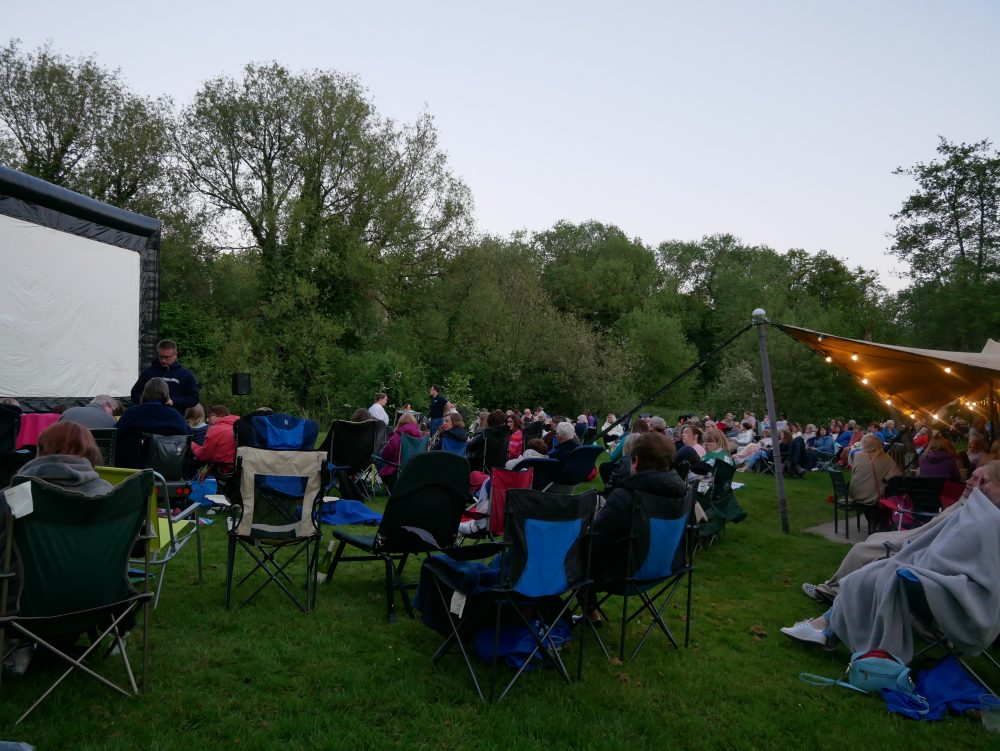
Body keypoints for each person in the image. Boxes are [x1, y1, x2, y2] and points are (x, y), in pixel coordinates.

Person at [781, 460, 1000, 662]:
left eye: (985, 481)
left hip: (964, 602)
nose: (977, 485)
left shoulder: (986, 518)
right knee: (876, 569)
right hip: (944, 584)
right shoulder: (980, 514)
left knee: (875, 573)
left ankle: (827, 629)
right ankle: (825, 627)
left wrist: (913, 559)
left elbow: (955, 561)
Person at [0, 421, 114, 675]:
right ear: (88, 452)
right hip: (99, 600)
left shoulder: (15, 494)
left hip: (26, 606)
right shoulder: (108, 495)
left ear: (42, 449)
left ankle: (17, 647)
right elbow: (138, 549)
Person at [802, 465, 986, 604]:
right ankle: (836, 587)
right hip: (905, 525)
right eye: (971, 477)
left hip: (917, 546)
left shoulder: (973, 513)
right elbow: (895, 472)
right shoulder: (967, 506)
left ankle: (833, 590)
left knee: (861, 549)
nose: (968, 481)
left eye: (975, 479)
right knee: (874, 537)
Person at [580, 432, 687, 626]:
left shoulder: (626, 496)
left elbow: (593, 539)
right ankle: (590, 615)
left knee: (577, 552)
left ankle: (588, 614)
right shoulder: (682, 495)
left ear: (635, 461)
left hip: (624, 574)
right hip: (666, 567)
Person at [114, 378, 190, 469]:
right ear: (166, 394)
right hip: (168, 467)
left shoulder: (132, 413)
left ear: (144, 393)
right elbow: (187, 438)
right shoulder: (175, 416)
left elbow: (115, 436)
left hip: (132, 467)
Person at [129, 339, 199, 414]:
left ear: (176, 355)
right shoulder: (148, 372)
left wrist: (173, 401)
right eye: (161, 357)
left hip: (173, 418)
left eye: (167, 357)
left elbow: (194, 399)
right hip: (149, 416)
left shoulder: (186, 375)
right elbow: (135, 393)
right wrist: (146, 402)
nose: (163, 360)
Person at [846, 434, 901, 523]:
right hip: (874, 496)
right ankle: (876, 524)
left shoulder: (858, 455)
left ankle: (872, 523)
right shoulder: (885, 457)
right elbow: (897, 473)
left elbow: (854, 472)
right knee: (885, 492)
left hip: (855, 493)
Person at [191, 404, 239, 475]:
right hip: (239, 470)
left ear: (220, 415)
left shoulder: (215, 429)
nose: (207, 419)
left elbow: (203, 456)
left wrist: (191, 444)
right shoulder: (239, 425)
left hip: (223, 472)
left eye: (210, 416)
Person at [378, 413, 422, 488]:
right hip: (414, 473)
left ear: (400, 424)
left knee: (379, 454)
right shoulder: (420, 438)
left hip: (396, 474)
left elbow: (385, 456)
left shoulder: (396, 437)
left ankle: (379, 485)